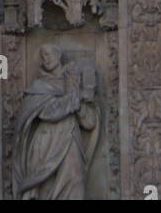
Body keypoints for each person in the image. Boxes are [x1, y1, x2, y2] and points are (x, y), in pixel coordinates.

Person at [12, 46, 99, 200]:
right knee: (46, 188)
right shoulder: (39, 87)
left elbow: (90, 122)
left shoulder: (74, 83)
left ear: (58, 55)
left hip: (70, 140)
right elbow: (48, 113)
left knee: (76, 180)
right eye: (43, 56)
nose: (46, 59)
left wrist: (78, 103)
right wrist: (72, 100)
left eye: (48, 54)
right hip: (46, 143)